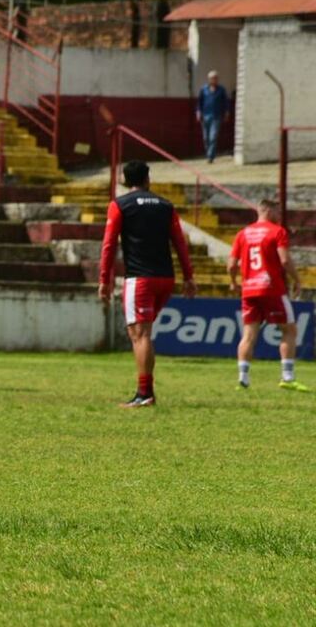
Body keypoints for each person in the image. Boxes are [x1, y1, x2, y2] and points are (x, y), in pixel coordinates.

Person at [98, 160, 196, 408]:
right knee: (143, 334)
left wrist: (104, 280)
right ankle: (145, 391)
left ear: (124, 181)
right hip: (165, 278)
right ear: (147, 180)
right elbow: (180, 243)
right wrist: (188, 277)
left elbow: (109, 245)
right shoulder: (166, 206)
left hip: (140, 279)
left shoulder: (119, 205)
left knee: (139, 335)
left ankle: (145, 394)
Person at [228, 200, 308, 392]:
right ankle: (287, 377)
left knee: (248, 334)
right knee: (289, 330)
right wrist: (297, 280)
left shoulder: (243, 233)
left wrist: (233, 282)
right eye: (277, 211)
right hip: (271, 288)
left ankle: (243, 378)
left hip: (249, 289)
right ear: (268, 210)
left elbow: (231, 264)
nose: (279, 215)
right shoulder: (277, 231)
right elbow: (285, 259)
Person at [197, 70, 230, 164]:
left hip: (216, 116)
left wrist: (227, 112)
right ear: (209, 79)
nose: (214, 80)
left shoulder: (221, 90)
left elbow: (226, 102)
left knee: (213, 136)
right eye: (212, 78)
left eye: (215, 78)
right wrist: (198, 112)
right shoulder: (204, 89)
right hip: (205, 116)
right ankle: (209, 154)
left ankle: (210, 157)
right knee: (205, 138)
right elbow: (199, 102)